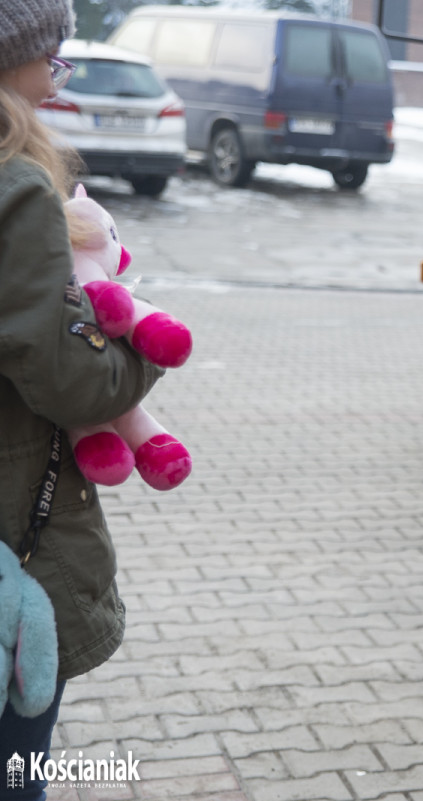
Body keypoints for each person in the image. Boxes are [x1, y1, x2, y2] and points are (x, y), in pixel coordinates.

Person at [1, 2, 164, 797]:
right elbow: (68, 378)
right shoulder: (17, 190)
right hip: (12, 556)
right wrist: (142, 344)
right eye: (53, 54)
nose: (60, 71)